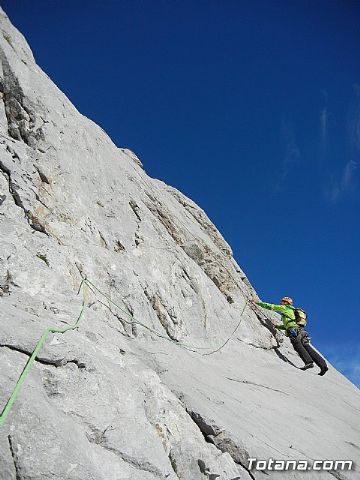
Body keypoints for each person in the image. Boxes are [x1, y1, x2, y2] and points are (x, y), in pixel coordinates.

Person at [252, 296, 328, 376]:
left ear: (285, 302)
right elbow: (287, 326)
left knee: (297, 345)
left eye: (282, 301)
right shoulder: (292, 311)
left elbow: (271, 306)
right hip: (302, 331)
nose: (281, 302)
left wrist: (257, 302)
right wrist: (277, 326)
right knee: (308, 348)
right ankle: (323, 366)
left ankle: (308, 362)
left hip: (294, 331)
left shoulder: (285, 308)